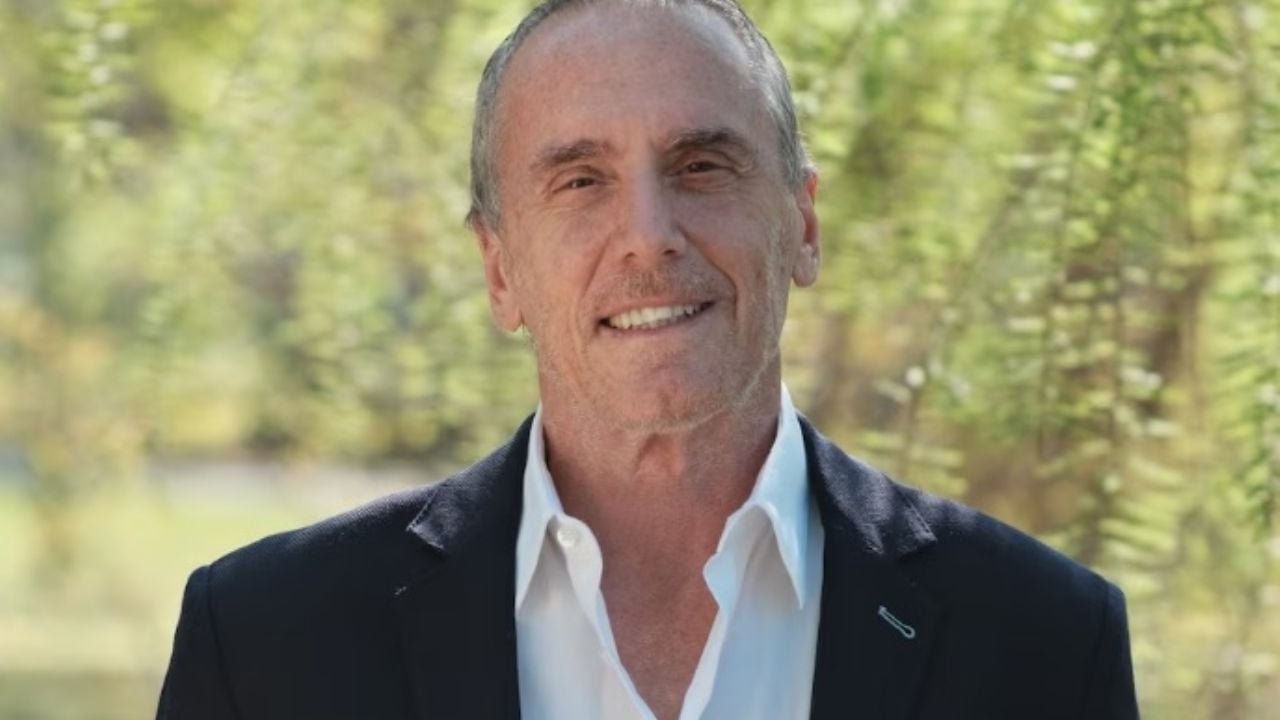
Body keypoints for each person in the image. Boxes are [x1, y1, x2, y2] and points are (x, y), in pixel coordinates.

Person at [156, 1, 1140, 718]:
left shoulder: (1043, 641)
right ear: (499, 269)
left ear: (802, 225)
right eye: (579, 181)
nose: (648, 236)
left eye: (701, 166)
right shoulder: (266, 643)